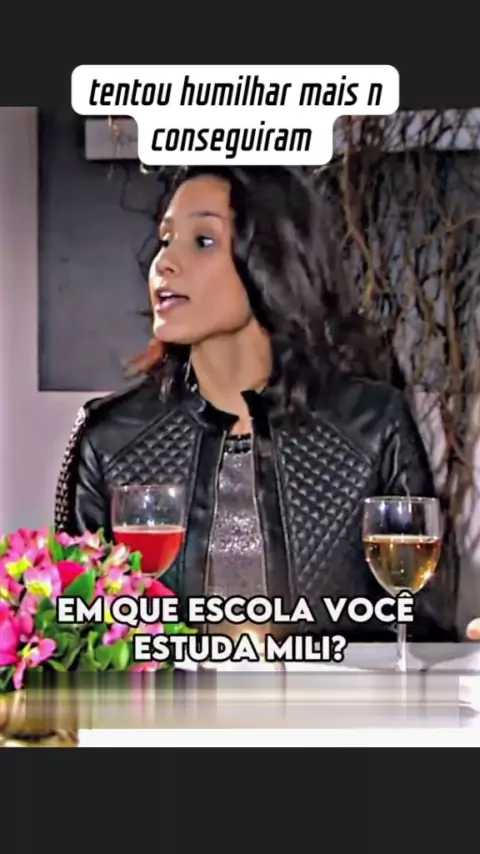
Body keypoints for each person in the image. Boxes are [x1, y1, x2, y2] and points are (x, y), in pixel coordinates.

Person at [54, 165, 458, 642]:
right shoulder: (109, 437)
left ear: (268, 259)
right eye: (165, 240)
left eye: (203, 241)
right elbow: (76, 638)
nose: (164, 263)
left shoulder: (372, 425)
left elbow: (421, 629)